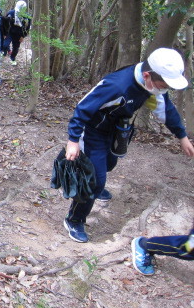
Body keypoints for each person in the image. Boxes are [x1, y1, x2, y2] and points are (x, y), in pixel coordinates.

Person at [63, 48, 194, 243]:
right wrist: (73, 140)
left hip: (116, 131)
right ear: (147, 75)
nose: (163, 90)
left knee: (109, 164)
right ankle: (74, 219)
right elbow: (83, 107)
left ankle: (96, 187)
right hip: (92, 132)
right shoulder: (117, 86)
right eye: (162, 85)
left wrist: (182, 136)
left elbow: (164, 108)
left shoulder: (153, 87)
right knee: (94, 181)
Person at [2, 0, 31, 65]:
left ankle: (13, 58)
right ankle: (7, 50)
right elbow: (5, 23)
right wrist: (4, 33)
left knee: (15, 48)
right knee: (4, 45)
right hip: (10, 32)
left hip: (19, 35)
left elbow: (27, 28)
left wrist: (23, 36)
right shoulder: (11, 13)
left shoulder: (26, 17)